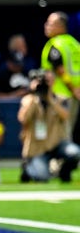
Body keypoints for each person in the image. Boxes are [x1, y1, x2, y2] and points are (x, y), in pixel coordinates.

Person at [18, 69, 80, 183]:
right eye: (44, 81)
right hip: (37, 147)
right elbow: (23, 118)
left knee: (74, 152)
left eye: (49, 80)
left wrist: (50, 99)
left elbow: (66, 116)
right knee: (42, 177)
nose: (46, 83)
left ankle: (63, 172)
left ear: (54, 81)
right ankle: (28, 168)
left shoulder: (61, 99)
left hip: (56, 143)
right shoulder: (29, 100)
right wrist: (33, 94)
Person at [41, 11, 80, 145]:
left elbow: (60, 70)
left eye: (50, 23)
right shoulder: (75, 44)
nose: (46, 26)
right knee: (68, 127)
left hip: (60, 95)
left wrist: (73, 89)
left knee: (60, 130)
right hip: (75, 94)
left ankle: (63, 160)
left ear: (60, 26)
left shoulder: (55, 44)